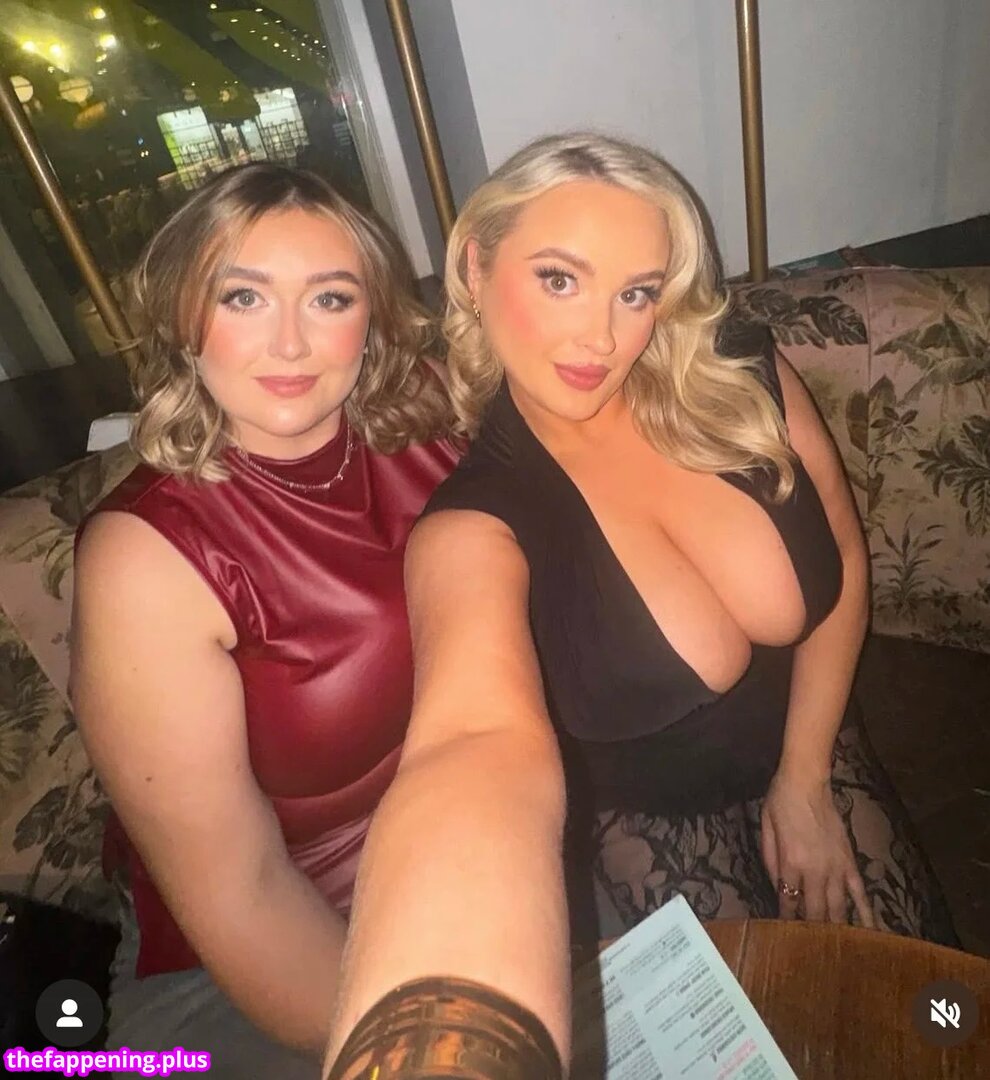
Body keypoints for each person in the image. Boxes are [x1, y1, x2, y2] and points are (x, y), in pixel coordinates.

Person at [323, 133, 956, 1076]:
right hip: (650, 830)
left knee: (932, 1026)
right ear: (476, 266)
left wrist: (807, 777)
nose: (602, 338)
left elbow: (845, 556)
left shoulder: (736, 372)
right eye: (560, 280)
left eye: (637, 292)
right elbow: (467, 750)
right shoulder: (473, 525)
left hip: (817, 741)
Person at [70, 162, 458, 1077]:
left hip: (457, 856)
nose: (290, 342)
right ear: (183, 318)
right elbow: (243, 896)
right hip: (265, 956)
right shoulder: (146, 558)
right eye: (242, 297)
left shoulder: (434, 418)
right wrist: (424, 1050)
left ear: (373, 318)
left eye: (330, 298)